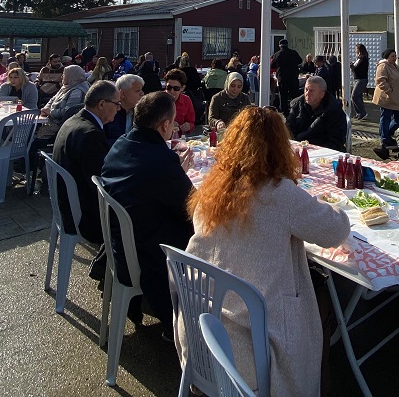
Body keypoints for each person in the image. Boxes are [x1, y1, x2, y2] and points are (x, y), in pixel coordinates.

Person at [181, 106, 351, 396]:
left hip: (200, 326)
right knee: (324, 299)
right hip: (249, 343)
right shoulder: (279, 193)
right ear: (279, 147)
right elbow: (336, 231)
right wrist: (333, 206)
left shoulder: (212, 189)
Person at [101, 92, 195, 331]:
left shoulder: (123, 143)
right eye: (172, 123)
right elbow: (192, 206)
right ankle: (188, 320)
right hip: (146, 254)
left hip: (119, 243)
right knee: (208, 232)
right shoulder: (160, 160)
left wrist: (175, 170)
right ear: (165, 125)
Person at [51, 80, 120, 244]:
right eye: (117, 104)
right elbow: (101, 184)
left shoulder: (74, 120)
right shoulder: (91, 134)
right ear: (102, 104)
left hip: (66, 204)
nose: (119, 108)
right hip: (83, 216)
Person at [285, 75, 346, 152]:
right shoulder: (297, 104)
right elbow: (288, 129)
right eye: (306, 89)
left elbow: (336, 140)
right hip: (298, 148)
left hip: (323, 151)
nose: (307, 93)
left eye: (312, 91)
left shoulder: (333, 109)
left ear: (322, 94)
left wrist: (315, 151)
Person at [37, 64, 89, 141]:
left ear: (71, 75)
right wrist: (45, 109)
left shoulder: (77, 91)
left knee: (33, 140)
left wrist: (51, 112)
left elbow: (68, 111)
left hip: (61, 125)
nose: (62, 77)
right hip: (51, 119)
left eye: (64, 74)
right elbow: (52, 99)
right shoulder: (67, 86)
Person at [371, 49, 399, 160]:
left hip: (397, 98)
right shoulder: (383, 66)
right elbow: (380, 80)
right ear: (387, 57)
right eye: (392, 56)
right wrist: (389, 90)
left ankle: (387, 133)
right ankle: (384, 138)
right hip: (387, 98)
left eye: (395, 56)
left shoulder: (396, 67)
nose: (394, 58)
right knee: (385, 117)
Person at [104, 73, 145, 142]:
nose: (142, 93)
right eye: (137, 91)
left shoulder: (140, 112)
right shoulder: (109, 114)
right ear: (122, 93)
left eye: (141, 90)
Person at [269, 39, 302, 114]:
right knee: (294, 94)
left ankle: (284, 111)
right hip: (293, 77)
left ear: (280, 46)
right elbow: (300, 61)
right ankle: (295, 110)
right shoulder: (293, 53)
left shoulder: (277, 54)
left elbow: (272, 65)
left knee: (283, 95)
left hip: (282, 77)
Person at [163, 69, 196, 136]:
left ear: (182, 88)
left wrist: (189, 126)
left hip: (177, 140)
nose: (171, 91)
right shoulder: (158, 99)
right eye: (168, 87)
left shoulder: (186, 100)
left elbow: (191, 123)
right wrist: (169, 124)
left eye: (176, 88)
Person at [351, 44, 369, 120]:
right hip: (357, 79)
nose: (355, 50)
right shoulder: (359, 58)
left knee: (354, 96)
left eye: (356, 49)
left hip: (361, 79)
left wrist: (351, 66)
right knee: (358, 96)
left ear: (359, 49)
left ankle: (363, 113)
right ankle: (359, 113)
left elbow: (357, 68)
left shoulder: (363, 58)